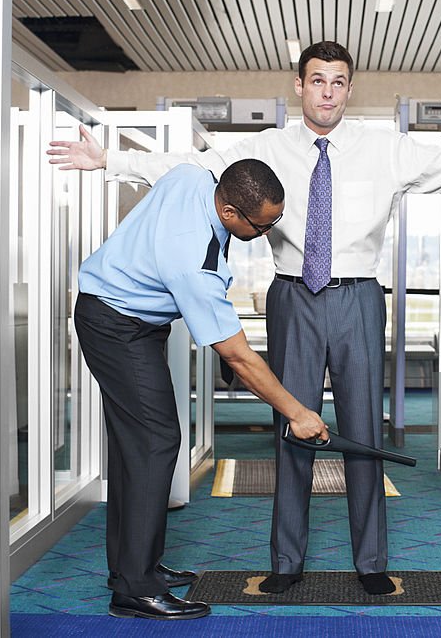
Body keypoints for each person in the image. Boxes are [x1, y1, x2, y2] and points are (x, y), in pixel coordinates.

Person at [47, 41, 441, 596]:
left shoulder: (386, 149)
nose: (327, 92)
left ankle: (371, 561)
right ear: (299, 85)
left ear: (349, 89)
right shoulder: (266, 148)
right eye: (317, 81)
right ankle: (287, 561)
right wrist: (110, 162)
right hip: (294, 295)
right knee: (293, 425)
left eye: (338, 82)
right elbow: (188, 169)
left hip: (359, 297)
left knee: (362, 427)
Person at [71, 158, 328, 620]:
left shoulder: (191, 176)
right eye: (263, 225)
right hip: (116, 324)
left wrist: (107, 160)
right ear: (230, 213)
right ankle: (135, 589)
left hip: (127, 315)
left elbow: (160, 170)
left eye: (276, 220)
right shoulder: (194, 261)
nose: (268, 231)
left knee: (136, 445)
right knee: (155, 442)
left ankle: (132, 566)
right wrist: (297, 412)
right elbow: (239, 357)